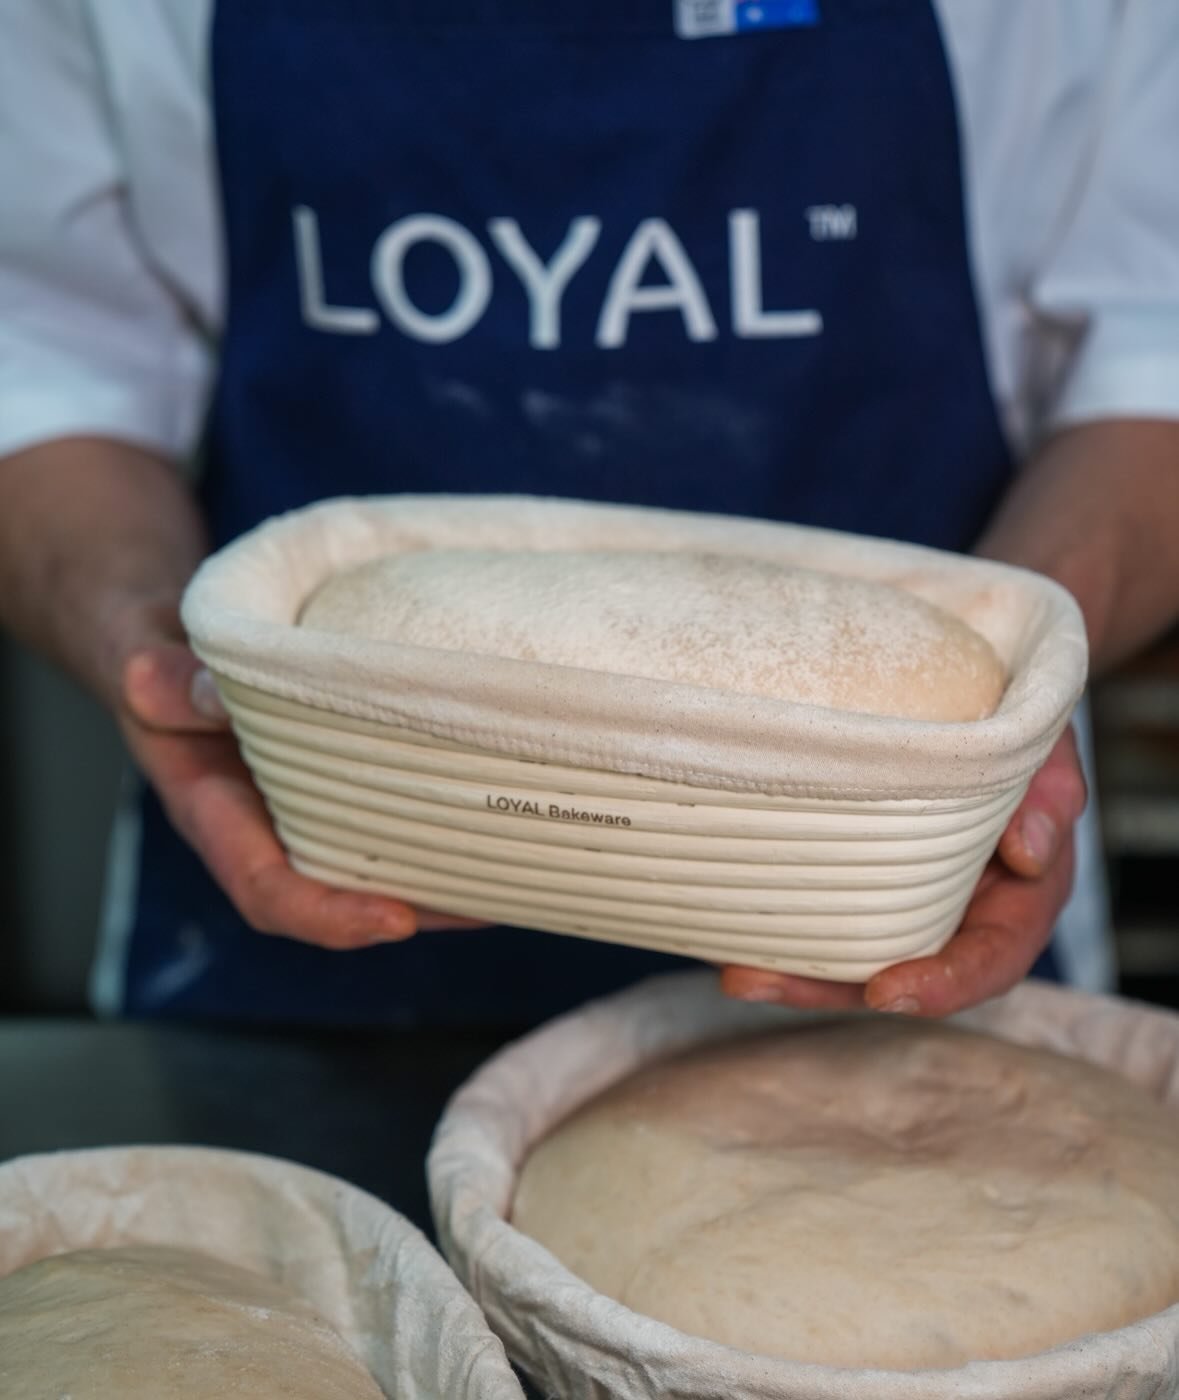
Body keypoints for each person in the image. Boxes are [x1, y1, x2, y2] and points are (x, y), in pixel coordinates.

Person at [0, 0, 1177, 1028]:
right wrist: (145, 644)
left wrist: (999, 743)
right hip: (292, 941)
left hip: (920, 925)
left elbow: (1154, 360)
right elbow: (42, 362)